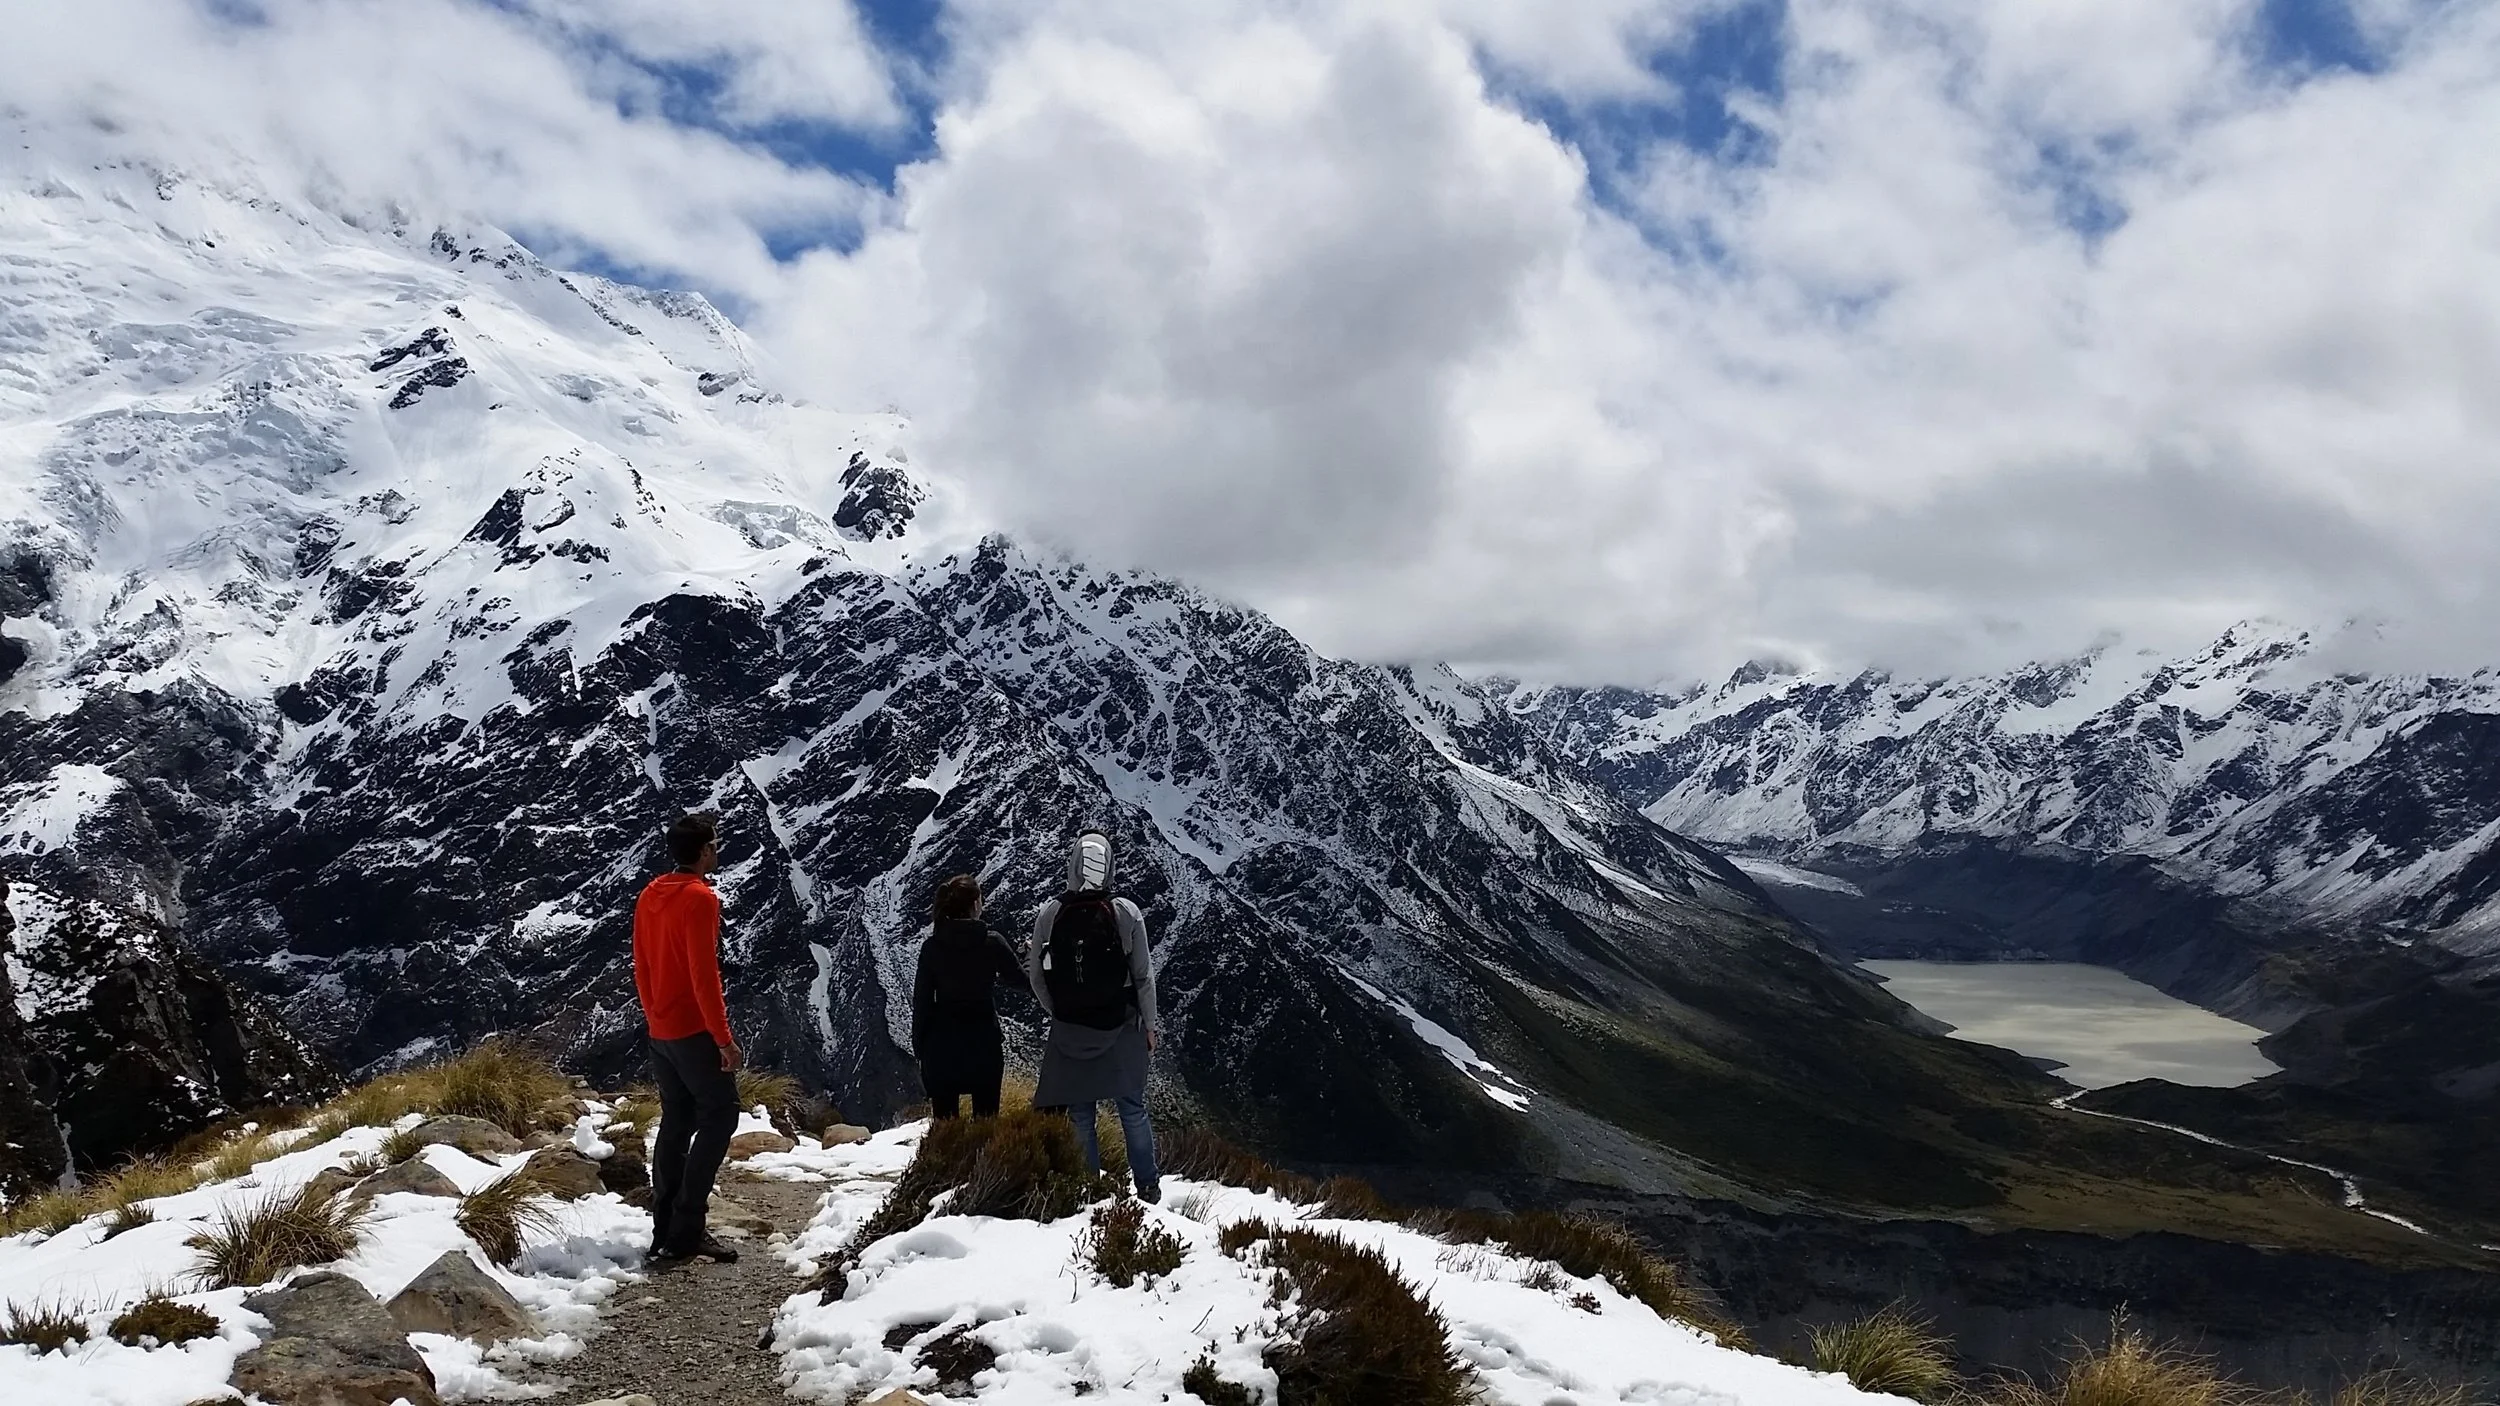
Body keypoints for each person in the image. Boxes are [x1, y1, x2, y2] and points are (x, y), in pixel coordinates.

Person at [631, 812, 744, 1264]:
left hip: (661, 1028)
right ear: (701, 853)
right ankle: (688, 1225)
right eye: (714, 845)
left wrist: (653, 1014)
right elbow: (704, 976)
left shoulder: (649, 894)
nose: (717, 851)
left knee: (677, 1120)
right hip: (693, 1030)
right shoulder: (701, 899)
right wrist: (724, 1039)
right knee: (722, 1114)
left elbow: (641, 963)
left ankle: (666, 1226)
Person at [1026, 831, 1163, 1202]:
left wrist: (1058, 1010)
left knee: (1080, 1112)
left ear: (1072, 864)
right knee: (1132, 1109)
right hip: (1120, 1025)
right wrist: (1149, 1025)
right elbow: (1143, 976)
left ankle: (1089, 1190)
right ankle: (1147, 1187)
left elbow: (1036, 973)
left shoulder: (1051, 913)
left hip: (1071, 1028)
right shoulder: (1125, 912)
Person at [911, 874, 1026, 1119]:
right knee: (986, 1125)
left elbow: (921, 1002)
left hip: (941, 1049)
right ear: (975, 904)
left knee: (946, 1130)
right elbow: (1022, 981)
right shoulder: (991, 942)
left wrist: (920, 1049)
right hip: (984, 1047)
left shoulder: (932, 947)